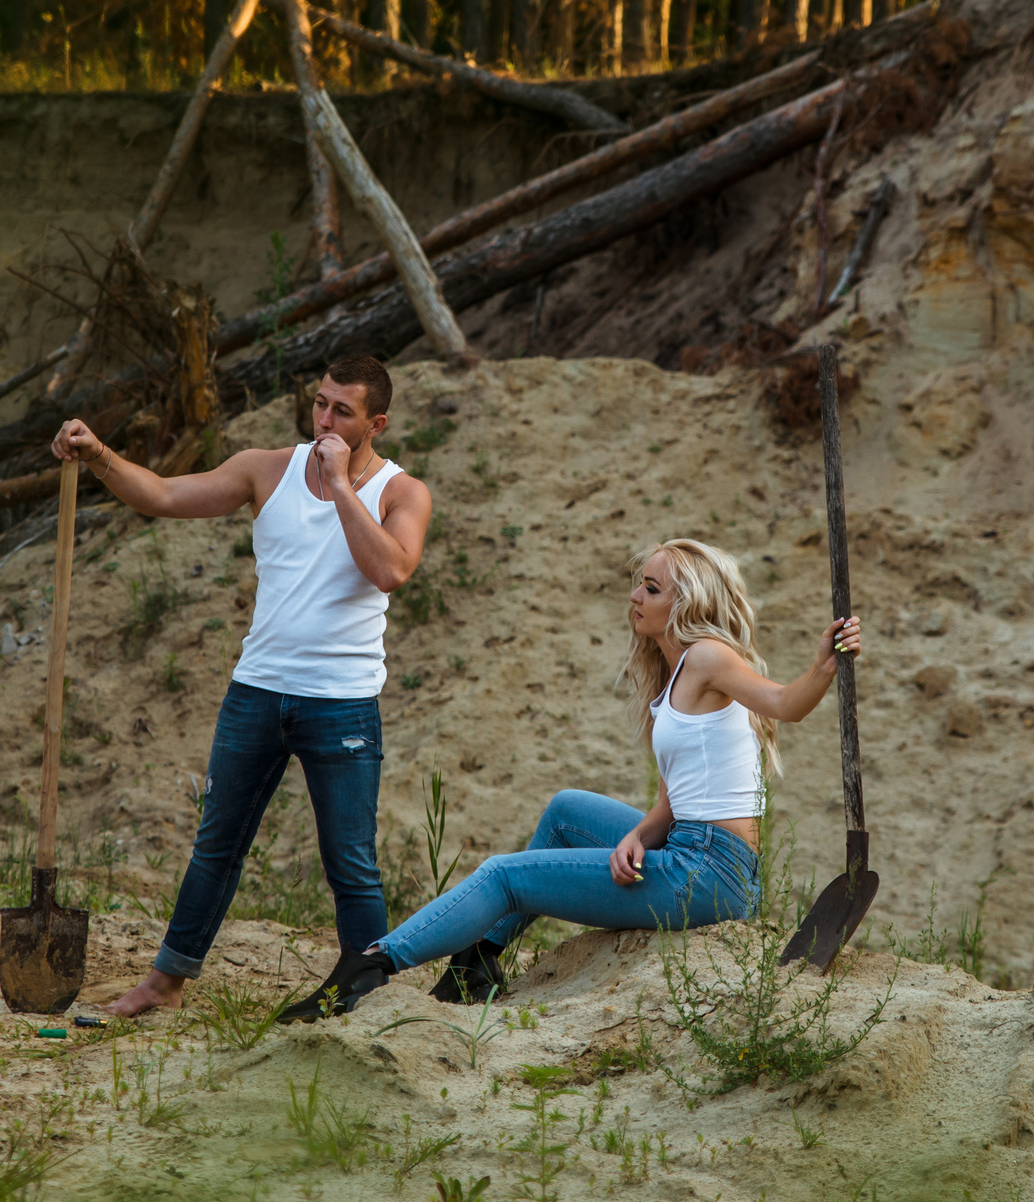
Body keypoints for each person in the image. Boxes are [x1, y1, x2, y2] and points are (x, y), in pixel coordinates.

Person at [289, 538, 863, 1015]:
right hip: (692, 847)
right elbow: (676, 799)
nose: (635, 595)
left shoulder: (708, 655)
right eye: (640, 582)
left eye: (652, 588)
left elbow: (785, 703)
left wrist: (822, 666)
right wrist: (638, 836)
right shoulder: (671, 679)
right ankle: (476, 965)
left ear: (686, 604)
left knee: (504, 876)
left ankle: (367, 967)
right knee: (566, 810)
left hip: (710, 873)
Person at [53, 354, 434, 1023]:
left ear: (376, 422)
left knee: (351, 862)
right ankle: (162, 985)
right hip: (256, 691)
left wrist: (342, 485)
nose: (324, 419)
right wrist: (99, 455)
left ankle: (369, 995)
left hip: (342, 700)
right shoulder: (267, 468)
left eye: (342, 411)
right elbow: (165, 495)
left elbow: (390, 570)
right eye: (320, 403)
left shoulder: (401, 492)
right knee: (216, 846)